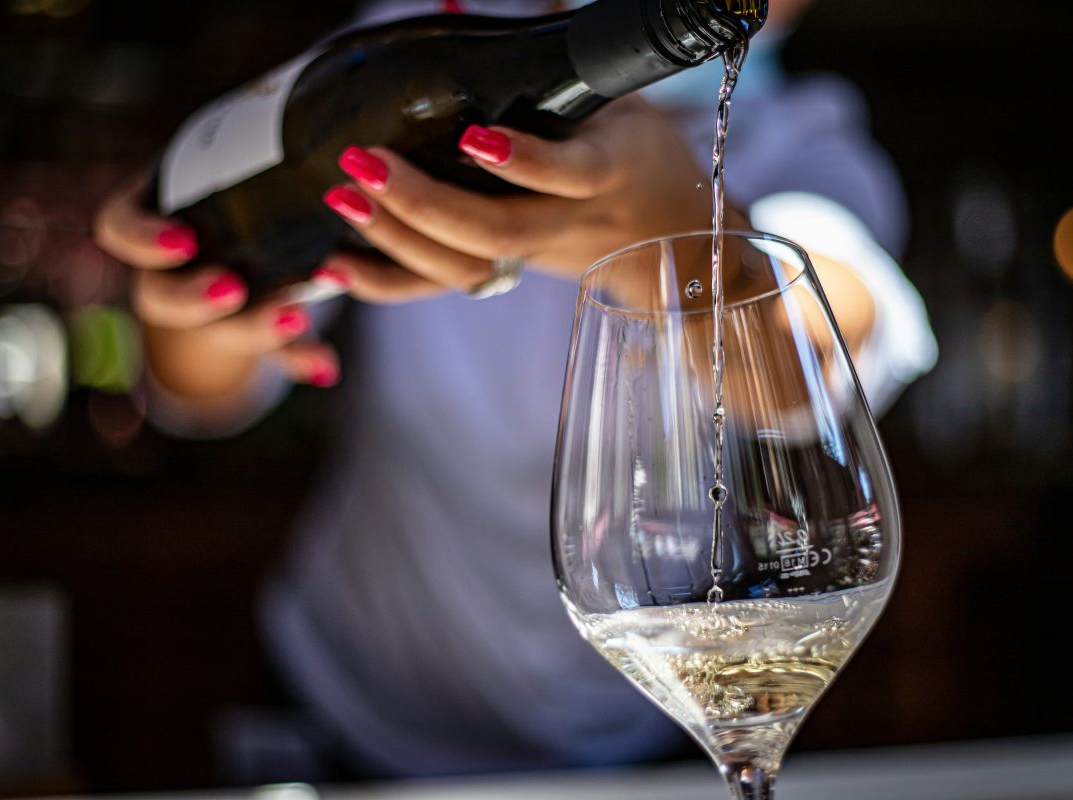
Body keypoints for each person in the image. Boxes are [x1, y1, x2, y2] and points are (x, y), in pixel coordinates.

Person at [94, 0, 936, 782]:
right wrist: (197, 291)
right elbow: (198, 393)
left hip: (635, 744)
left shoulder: (807, 140)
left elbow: (812, 352)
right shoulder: (444, 43)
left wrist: (679, 244)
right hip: (349, 714)